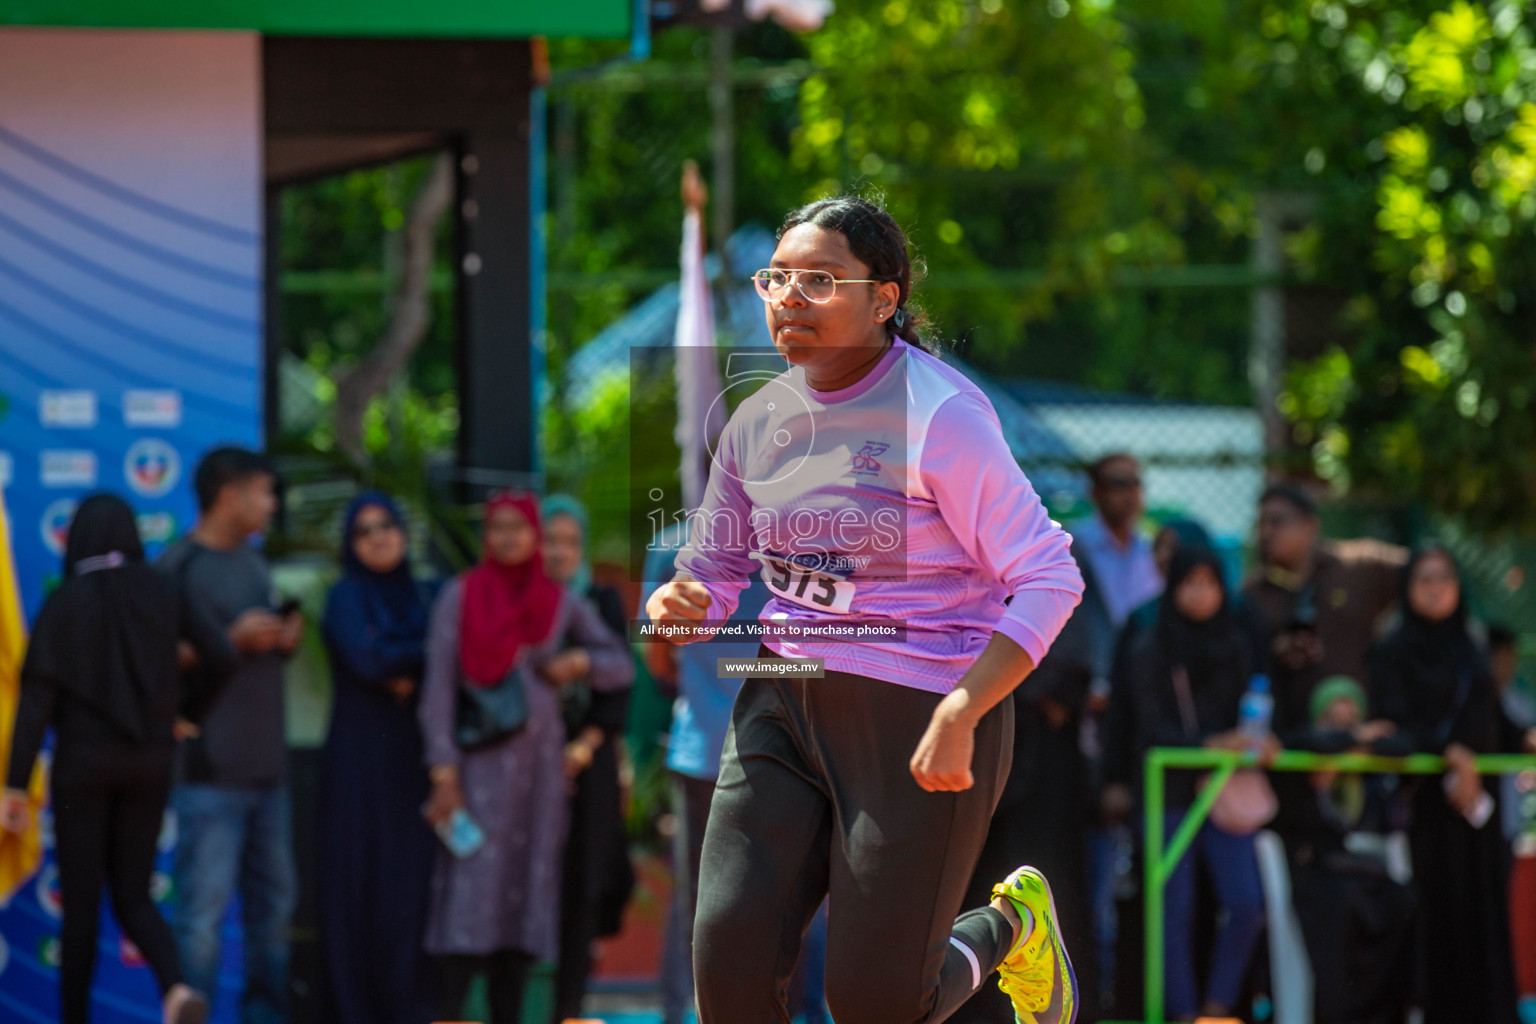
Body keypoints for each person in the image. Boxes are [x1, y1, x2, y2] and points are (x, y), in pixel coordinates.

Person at [646, 195, 1085, 1024]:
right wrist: (682, 601)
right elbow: (713, 572)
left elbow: (1050, 575)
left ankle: (1010, 927)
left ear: (884, 299)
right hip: (783, 698)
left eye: (820, 280)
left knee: (878, 1006)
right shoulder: (757, 421)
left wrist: (964, 706)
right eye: (778, 278)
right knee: (729, 984)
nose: (789, 297)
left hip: (923, 712)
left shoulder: (941, 415)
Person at [1, 494, 236, 1024]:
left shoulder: (65, 603)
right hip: (150, 761)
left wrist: (15, 788)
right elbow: (222, 654)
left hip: (82, 766)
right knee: (135, 895)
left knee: (80, 909)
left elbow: (35, 702)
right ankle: (175, 989)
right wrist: (188, 711)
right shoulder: (164, 590)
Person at [417, 492, 633, 1024]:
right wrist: (442, 772)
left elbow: (621, 665)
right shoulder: (461, 596)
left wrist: (578, 661)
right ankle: (449, 1013)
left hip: (539, 777)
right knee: (470, 895)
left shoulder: (557, 601)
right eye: (499, 528)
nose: (509, 538)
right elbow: (438, 692)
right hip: (478, 771)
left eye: (520, 528)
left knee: (522, 899)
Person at [157, 448, 302, 1024]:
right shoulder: (177, 566)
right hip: (209, 773)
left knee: (275, 912)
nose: (272, 505)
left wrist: (280, 642)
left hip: (269, 770)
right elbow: (155, 661)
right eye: (264, 493)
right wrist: (229, 641)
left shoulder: (255, 565)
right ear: (230, 495)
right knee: (200, 920)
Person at [1369, 545, 1536, 1024]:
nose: (1436, 588)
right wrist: (1448, 754)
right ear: (1407, 589)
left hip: (1476, 811)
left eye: (1444, 577)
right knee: (1435, 918)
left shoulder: (1471, 647)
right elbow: (1390, 727)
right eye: (1424, 579)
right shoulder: (1392, 651)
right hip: (1427, 810)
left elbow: (1489, 715)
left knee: (1483, 919)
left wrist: (1521, 738)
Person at [1120, 545, 1270, 1022]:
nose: (1201, 593)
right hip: (1169, 791)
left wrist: (1256, 740)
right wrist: (1211, 743)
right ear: (1173, 585)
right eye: (1191, 582)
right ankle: (1182, 1015)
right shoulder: (1151, 644)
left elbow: (1256, 709)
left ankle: (1215, 1009)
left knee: (1247, 903)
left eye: (1211, 582)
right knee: (1172, 911)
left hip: (1224, 790)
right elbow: (1147, 729)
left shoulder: (1238, 642)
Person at [642, 521, 772, 1024]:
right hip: (779, 745)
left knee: (696, 893)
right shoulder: (802, 533)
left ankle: (684, 1012)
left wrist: (705, 678)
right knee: (788, 885)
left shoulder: (672, 544)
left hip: (700, 743)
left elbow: (658, 655)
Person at [317, 492, 438, 1024]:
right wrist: (417, 652)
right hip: (357, 768)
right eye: (364, 531)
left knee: (409, 891)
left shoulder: (426, 592)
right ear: (351, 544)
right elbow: (367, 658)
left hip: (417, 763)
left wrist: (405, 653)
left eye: (388, 524)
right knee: (355, 893)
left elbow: (446, 650)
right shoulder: (345, 595)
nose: (380, 536)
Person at [540, 494, 637, 1022]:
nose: (560, 552)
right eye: (550, 541)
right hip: (523, 764)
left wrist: (583, 747)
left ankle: (568, 1006)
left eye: (570, 542)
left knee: (582, 882)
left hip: (588, 760)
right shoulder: (517, 602)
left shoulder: (599, 602)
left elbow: (621, 681)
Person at [1275, 675, 1416, 1024]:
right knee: (1341, 905)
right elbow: (1298, 743)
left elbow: (1402, 744)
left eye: (1352, 722)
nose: (1343, 732)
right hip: (1317, 875)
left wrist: (1355, 747)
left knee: (1403, 901)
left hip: (1365, 873)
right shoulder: (1300, 759)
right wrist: (1346, 743)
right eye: (1333, 723)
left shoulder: (1368, 766)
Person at [1241, 482, 1406, 741]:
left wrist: (1395, 643)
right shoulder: (1254, 594)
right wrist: (1278, 651)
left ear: (1310, 525)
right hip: (1290, 742)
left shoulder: (1359, 567)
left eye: (1276, 521)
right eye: (1260, 523)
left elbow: (1425, 574)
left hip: (1361, 739)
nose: (1265, 532)